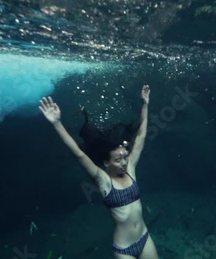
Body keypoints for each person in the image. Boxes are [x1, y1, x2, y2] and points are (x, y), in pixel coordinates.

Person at [38, 85, 159, 259]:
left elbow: (140, 136)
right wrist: (57, 123)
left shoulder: (130, 167)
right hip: (124, 249)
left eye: (124, 157)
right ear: (106, 162)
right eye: (118, 160)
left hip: (144, 238)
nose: (124, 162)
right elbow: (79, 155)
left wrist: (145, 104)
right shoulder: (104, 180)